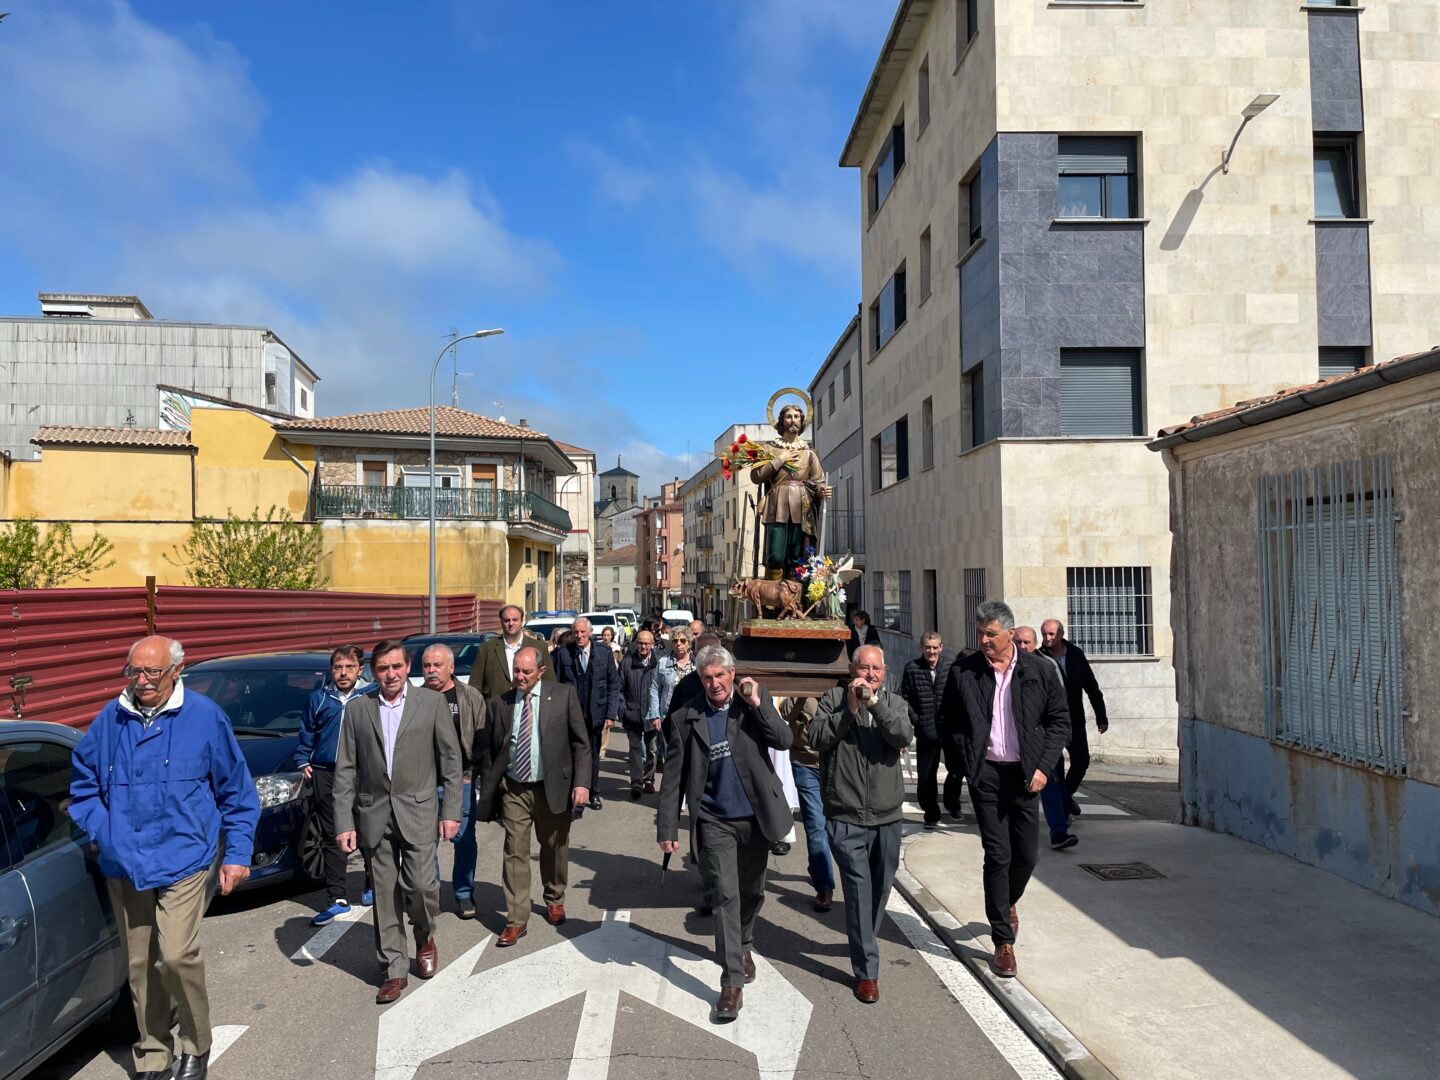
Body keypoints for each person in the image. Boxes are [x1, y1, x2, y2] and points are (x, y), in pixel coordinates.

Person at [70, 636, 260, 1080]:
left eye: (152, 672)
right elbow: (82, 787)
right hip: (126, 863)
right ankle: (153, 1051)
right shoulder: (112, 718)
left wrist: (237, 854)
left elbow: (237, 792)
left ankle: (196, 1043)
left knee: (175, 955)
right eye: (134, 671)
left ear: (177, 670)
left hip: (186, 857)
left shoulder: (204, 717)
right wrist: (106, 831)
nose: (141, 681)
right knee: (141, 966)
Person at [657, 645, 793, 1021]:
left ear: (733, 673)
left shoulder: (752, 702)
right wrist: (667, 826)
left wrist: (758, 704)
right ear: (700, 680)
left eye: (720, 675)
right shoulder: (686, 717)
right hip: (714, 820)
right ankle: (731, 981)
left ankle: (743, 942)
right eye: (707, 677)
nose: (715, 683)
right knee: (725, 896)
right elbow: (673, 778)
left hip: (755, 817)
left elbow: (784, 740)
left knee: (753, 891)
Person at [939, 603, 1069, 979]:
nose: (984, 640)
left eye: (991, 634)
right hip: (987, 776)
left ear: (1011, 633)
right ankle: (1002, 941)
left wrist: (1043, 767)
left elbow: (1059, 721)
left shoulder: (1039, 670)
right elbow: (948, 721)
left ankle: (1007, 901)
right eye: (980, 633)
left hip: (1027, 776)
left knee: (1027, 856)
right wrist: (967, 765)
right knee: (997, 855)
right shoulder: (965, 671)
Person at [333, 640, 462, 1004]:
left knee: (421, 885)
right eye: (382, 668)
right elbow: (346, 769)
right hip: (374, 813)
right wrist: (344, 822)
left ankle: (424, 935)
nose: (390, 674)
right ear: (373, 672)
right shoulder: (358, 710)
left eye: (396, 667)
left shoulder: (431, 703)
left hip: (418, 810)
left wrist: (451, 811)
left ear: (407, 668)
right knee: (385, 893)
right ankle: (393, 968)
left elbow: (451, 761)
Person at [809, 645, 912, 1003]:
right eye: (864, 668)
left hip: (887, 816)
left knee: (880, 888)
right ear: (852, 670)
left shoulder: (894, 703)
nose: (869, 675)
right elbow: (816, 738)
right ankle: (867, 971)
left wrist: (875, 705)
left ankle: (863, 938)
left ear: (884, 673)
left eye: (876, 669)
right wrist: (850, 710)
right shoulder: (833, 699)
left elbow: (902, 735)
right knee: (856, 889)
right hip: (846, 815)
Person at [474, 646, 591, 944]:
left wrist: (582, 783)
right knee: (514, 851)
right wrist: (490, 786)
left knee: (554, 847)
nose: (520, 677)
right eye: (516, 670)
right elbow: (489, 750)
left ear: (541, 671)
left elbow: (581, 743)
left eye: (526, 671)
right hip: (515, 789)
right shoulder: (499, 704)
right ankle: (516, 918)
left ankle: (554, 896)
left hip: (552, 787)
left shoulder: (563, 696)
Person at [294, 645, 376, 925]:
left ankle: (372, 879)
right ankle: (337, 898)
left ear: (360, 670)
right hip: (326, 772)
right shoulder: (319, 699)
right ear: (331, 670)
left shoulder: (370, 695)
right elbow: (307, 731)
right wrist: (303, 759)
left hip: (363, 773)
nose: (343, 673)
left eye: (349, 667)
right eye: (338, 667)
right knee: (333, 834)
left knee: (367, 829)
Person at [421, 643, 489, 917]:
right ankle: (430, 895)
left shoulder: (470, 697)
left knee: (464, 841)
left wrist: (472, 776)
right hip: (424, 785)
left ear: (451, 667)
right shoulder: (415, 698)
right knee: (425, 845)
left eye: (437, 665)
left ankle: (463, 893)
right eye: (427, 665)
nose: (431, 670)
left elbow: (481, 740)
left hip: (461, 782)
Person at [750, 399, 832, 579]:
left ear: (802, 421)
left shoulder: (809, 452)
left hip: (802, 506)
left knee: (798, 556)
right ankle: (772, 594)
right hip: (777, 505)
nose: (793, 420)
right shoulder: (769, 448)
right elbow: (756, 476)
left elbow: (818, 480)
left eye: (796, 416)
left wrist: (822, 490)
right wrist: (780, 459)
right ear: (781, 421)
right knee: (776, 555)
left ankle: (794, 593)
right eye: (788, 416)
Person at [1040, 619, 1109, 821]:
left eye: (1051, 634)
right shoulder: (1040, 657)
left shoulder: (1075, 655)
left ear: (1061, 634)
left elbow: (1091, 687)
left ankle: (1065, 797)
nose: (1047, 638)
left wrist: (1101, 716)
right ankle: (1063, 809)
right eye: (1044, 634)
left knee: (1081, 761)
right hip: (1050, 722)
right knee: (1055, 768)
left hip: (1075, 719)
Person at [1015, 628, 1076, 851]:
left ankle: (1058, 832)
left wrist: (1062, 736)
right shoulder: (1007, 669)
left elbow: (1059, 706)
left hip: (1045, 740)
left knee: (1052, 784)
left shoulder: (1047, 667)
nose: (1022, 646)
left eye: (1026, 642)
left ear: (1035, 644)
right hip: (1018, 743)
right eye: (1018, 642)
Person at [553, 616, 621, 809]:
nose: (579, 635)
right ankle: (575, 794)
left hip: (595, 714)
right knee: (573, 755)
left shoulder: (604, 653)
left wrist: (610, 714)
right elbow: (556, 686)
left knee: (592, 756)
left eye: (583, 632)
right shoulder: (563, 654)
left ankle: (594, 792)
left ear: (590, 633)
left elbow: (613, 685)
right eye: (576, 632)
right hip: (571, 715)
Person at [900, 632, 959, 830]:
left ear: (941, 647)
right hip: (925, 730)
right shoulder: (912, 668)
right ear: (921, 648)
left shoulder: (950, 666)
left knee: (956, 769)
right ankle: (931, 813)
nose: (931, 651)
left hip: (949, 729)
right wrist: (916, 719)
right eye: (928, 647)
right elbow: (905, 696)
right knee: (926, 777)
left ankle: (952, 802)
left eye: (935, 647)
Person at [782, 695, 834, 912]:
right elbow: (786, 712)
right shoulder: (803, 690)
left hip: (837, 762)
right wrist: (800, 693)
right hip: (805, 762)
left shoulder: (841, 688)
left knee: (838, 826)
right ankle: (824, 885)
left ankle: (818, 864)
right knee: (816, 825)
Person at [473, 604, 553, 703]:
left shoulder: (539, 647)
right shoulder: (486, 649)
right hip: (496, 708)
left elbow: (550, 682)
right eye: (507, 620)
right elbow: (475, 687)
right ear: (501, 622)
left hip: (530, 706)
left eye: (515, 620)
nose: (511, 623)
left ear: (521, 621)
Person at [620, 629, 662, 797]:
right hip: (632, 713)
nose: (643, 646)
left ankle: (649, 779)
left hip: (652, 715)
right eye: (640, 643)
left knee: (652, 749)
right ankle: (636, 783)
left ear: (652, 644)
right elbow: (619, 688)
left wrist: (659, 712)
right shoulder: (627, 663)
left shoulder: (658, 663)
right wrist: (622, 711)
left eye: (646, 643)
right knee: (635, 748)